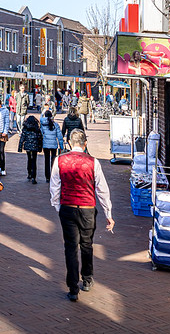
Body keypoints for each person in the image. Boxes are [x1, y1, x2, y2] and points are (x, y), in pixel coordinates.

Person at [50, 129, 114, 302]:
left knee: (70, 247)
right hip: (87, 208)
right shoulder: (93, 162)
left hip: (68, 207)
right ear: (85, 144)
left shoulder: (60, 160)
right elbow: (102, 189)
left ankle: (73, 288)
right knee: (87, 245)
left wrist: (57, 205)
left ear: (70, 143)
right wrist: (108, 212)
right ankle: (87, 279)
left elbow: (54, 186)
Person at [40, 110, 64, 183]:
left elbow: (41, 134)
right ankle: (53, 176)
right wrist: (61, 145)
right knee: (53, 160)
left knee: (46, 160)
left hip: (46, 144)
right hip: (54, 144)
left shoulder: (43, 124)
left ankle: (47, 177)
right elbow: (59, 136)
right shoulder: (55, 125)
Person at [17, 115, 42, 184]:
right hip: (35, 146)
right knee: (34, 161)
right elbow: (40, 138)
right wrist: (40, 147)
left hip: (28, 145)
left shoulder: (25, 128)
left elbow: (22, 138)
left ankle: (29, 174)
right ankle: (34, 177)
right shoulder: (37, 128)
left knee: (29, 159)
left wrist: (20, 147)